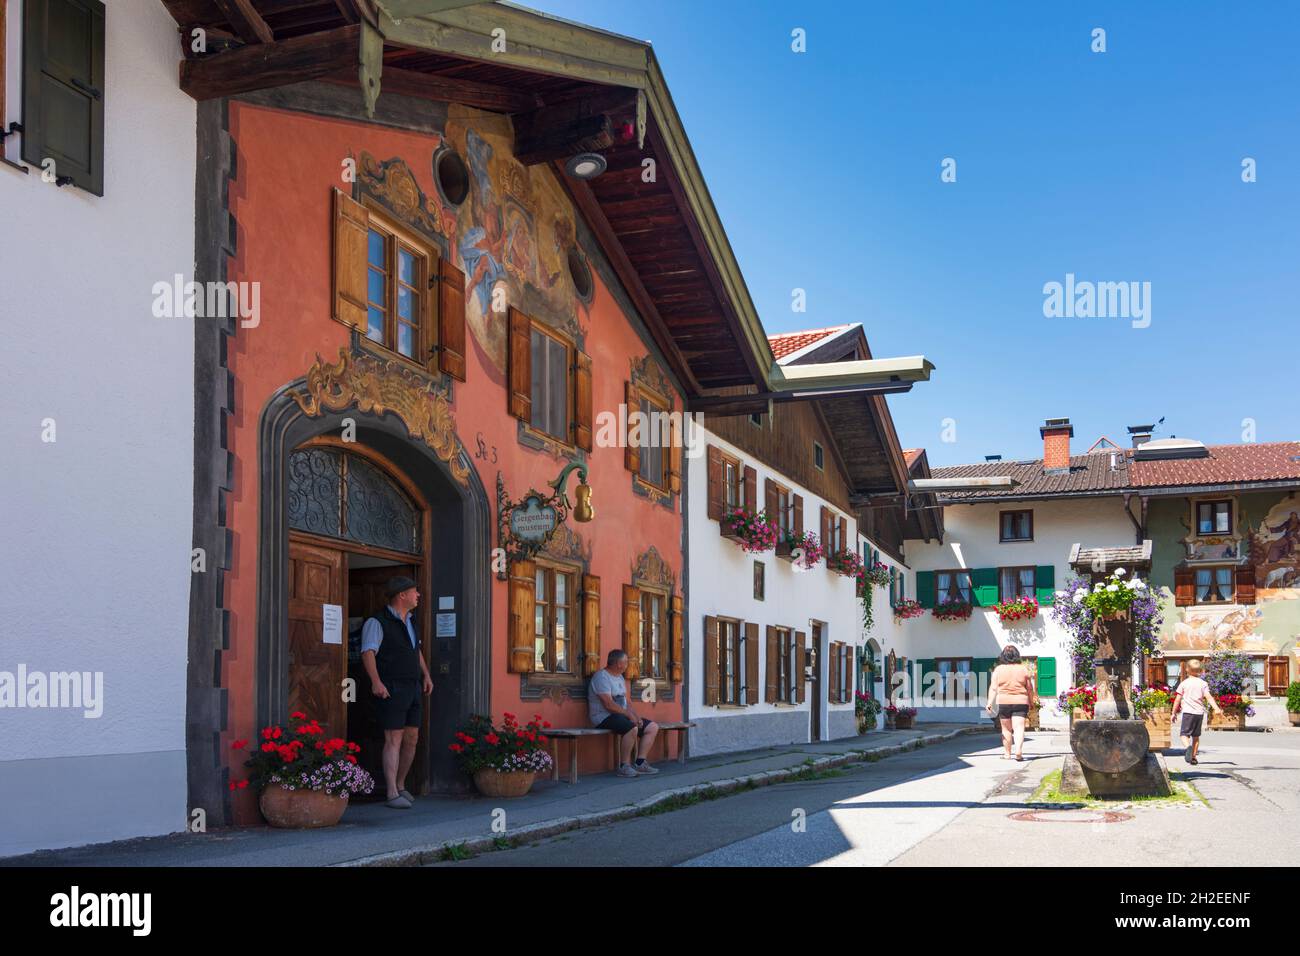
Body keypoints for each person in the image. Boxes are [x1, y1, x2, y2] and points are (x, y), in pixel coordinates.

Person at [360, 576, 434, 808]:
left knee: (412, 738)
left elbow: (416, 650)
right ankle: (391, 792)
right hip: (391, 686)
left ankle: (401, 785)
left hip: (412, 686)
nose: (418, 595)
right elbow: (367, 652)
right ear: (402, 595)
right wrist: (376, 682)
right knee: (394, 738)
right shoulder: (377, 621)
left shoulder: (411, 620)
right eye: (415, 592)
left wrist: (426, 675)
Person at [589, 649, 659, 777]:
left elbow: (627, 702)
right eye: (626, 662)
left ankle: (640, 763)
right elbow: (608, 704)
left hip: (621, 716)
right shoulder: (601, 677)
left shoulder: (620, 677)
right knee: (632, 728)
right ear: (618, 663)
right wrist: (629, 716)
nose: (627, 664)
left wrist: (636, 716)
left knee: (652, 727)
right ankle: (624, 766)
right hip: (603, 717)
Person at [986, 645, 1037, 761]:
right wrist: (1031, 701)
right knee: (1019, 728)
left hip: (1004, 701)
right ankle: (1018, 751)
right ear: (1017, 655)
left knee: (1006, 729)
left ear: (1003, 656)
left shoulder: (998, 670)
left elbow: (993, 688)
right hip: (1020, 701)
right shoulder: (1023, 669)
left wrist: (989, 702)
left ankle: (1007, 754)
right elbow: (1029, 688)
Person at [1171, 659, 1222, 765]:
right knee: (1196, 737)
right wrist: (1216, 708)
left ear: (1186, 670)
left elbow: (1177, 699)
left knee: (1184, 735)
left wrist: (1173, 713)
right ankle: (1193, 757)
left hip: (1188, 713)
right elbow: (1208, 697)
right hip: (1199, 713)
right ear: (1200, 671)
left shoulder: (1184, 683)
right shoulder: (1203, 683)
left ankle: (1187, 747)